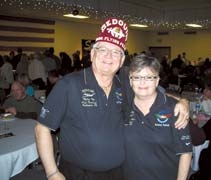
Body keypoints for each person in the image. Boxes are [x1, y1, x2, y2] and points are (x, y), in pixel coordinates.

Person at [35, 18, 189, 180]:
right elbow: (42, 128)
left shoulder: (123, 82)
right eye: (103, 50)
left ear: (122, 60)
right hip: (79, 173)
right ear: (93, 54)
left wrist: (182, 102)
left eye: (116, 52)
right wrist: (52, 172)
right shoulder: (69, 84)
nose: (109, 56)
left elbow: (152, 90)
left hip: (117, 173)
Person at [123, 54, 192, 180]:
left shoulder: (175, 109)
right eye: (137, 77)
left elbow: (185, 153)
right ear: (130, 80)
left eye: (149, 77)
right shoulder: (122, 107)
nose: (142, 82)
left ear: (157, 80)